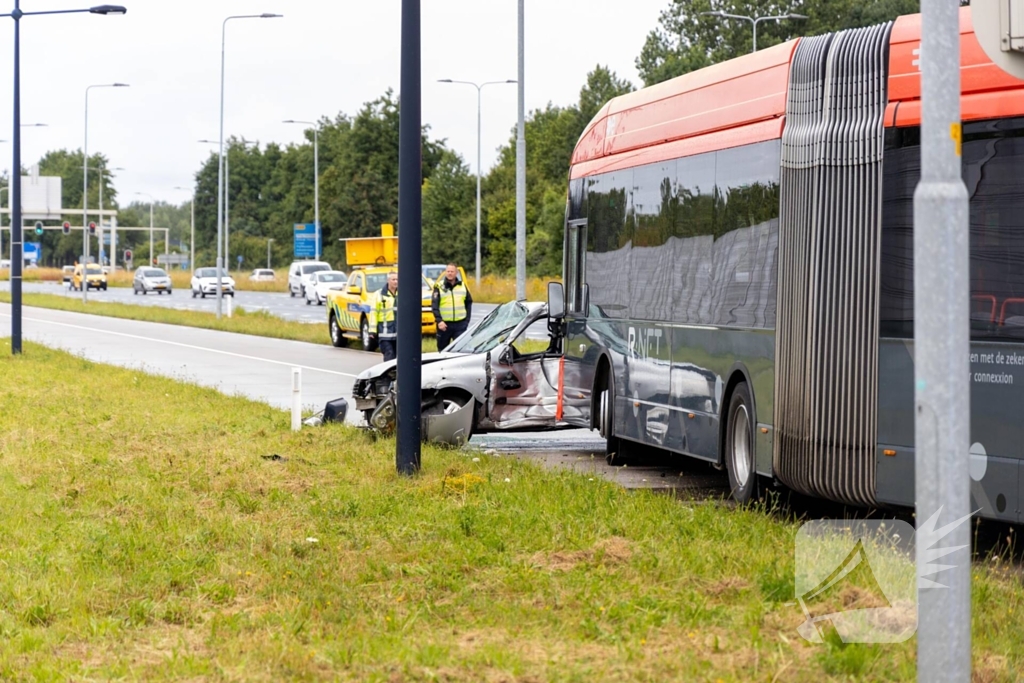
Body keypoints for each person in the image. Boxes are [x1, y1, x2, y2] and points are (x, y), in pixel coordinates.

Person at [432, 262, 472, 352]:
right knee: (442, 350)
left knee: (460, 350)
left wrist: (467, 320)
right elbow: (434, 305)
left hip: (460, 324)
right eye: (448, 271)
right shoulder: (439, 286)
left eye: (452, 271)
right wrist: (439, 321)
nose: (450, 273)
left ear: (456, 272)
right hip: (444, 325)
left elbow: (469, 303)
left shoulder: (462, 286)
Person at [372, 271, 399, 362]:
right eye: (393, 279)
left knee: (399, 358)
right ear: (388, 280)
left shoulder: (402, 293)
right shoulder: (379, 294)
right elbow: (373, 313)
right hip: (385, 334)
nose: (396, 281)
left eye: (397, 279)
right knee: (389, 355)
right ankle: (389, 375)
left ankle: (397, 375)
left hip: (399, 333)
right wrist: (372, 331)